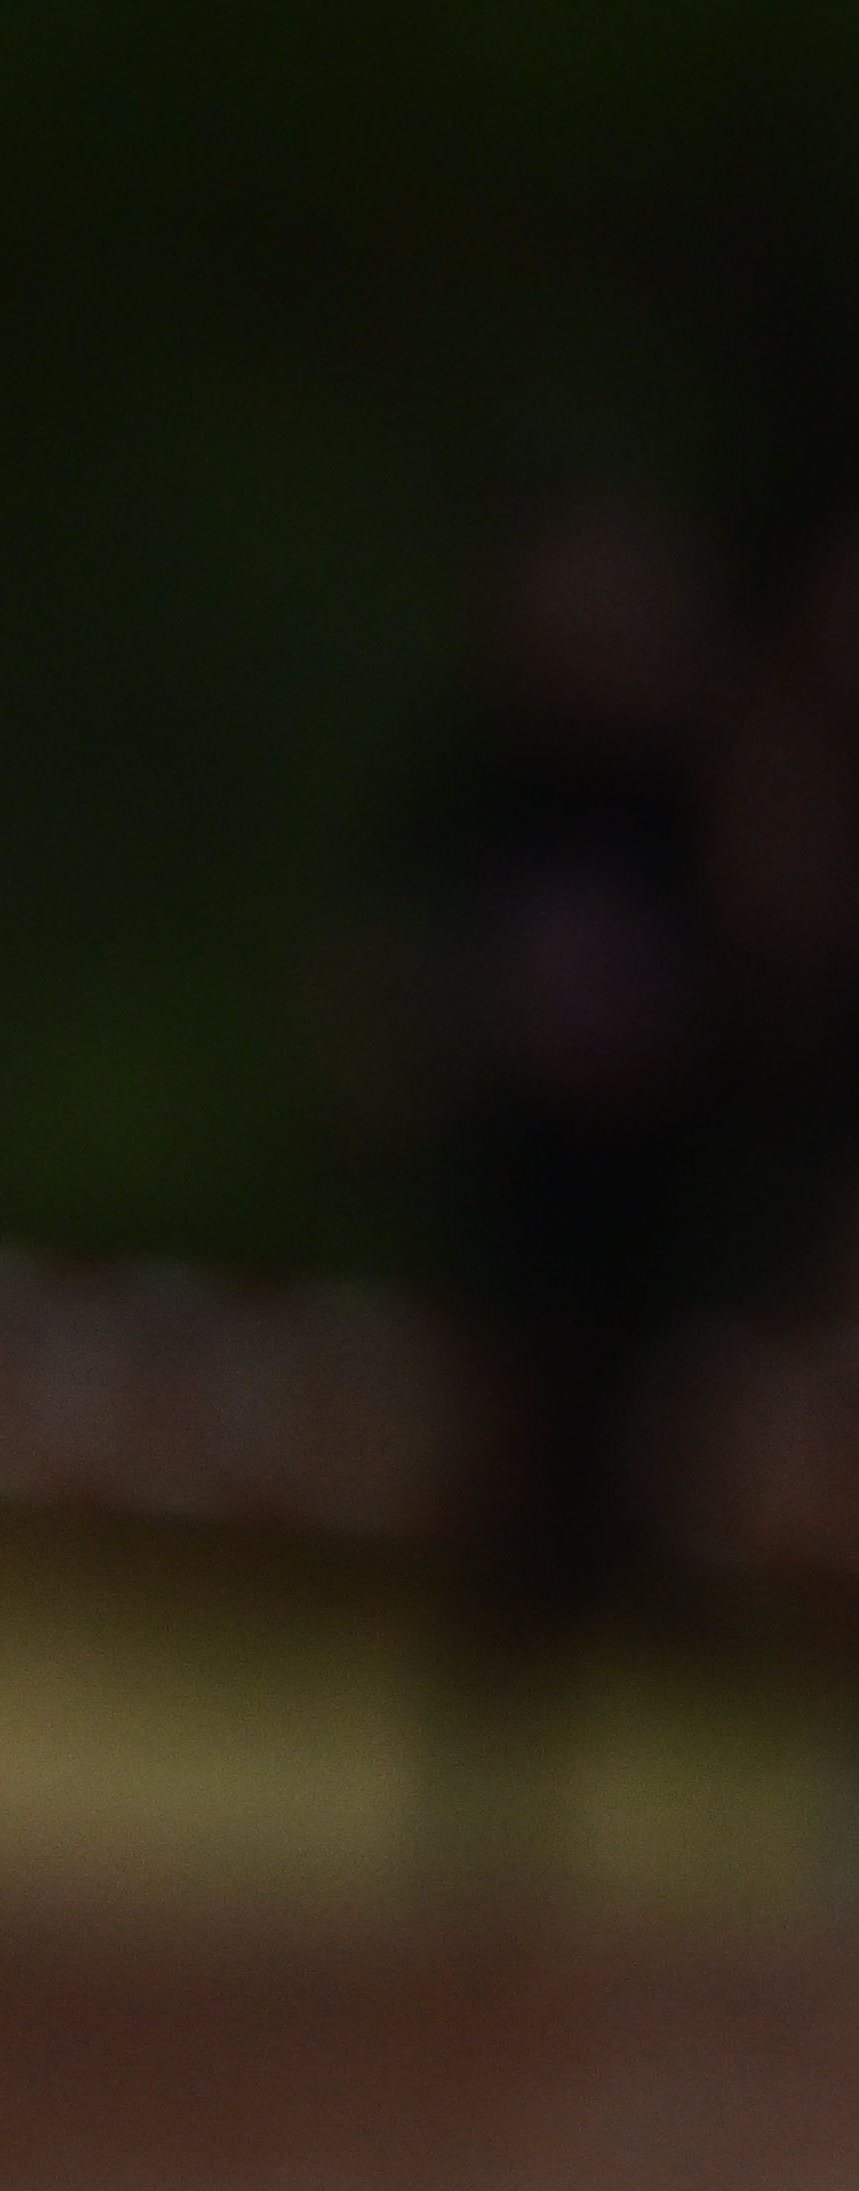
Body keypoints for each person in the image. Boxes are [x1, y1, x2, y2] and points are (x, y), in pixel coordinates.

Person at [412, 494, 735, 1876]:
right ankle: (498, 1818)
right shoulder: (488, 797)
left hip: (679, 1232)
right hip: (529, 1221)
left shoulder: (707, 802)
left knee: (662, 1499)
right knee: (518, 1504)